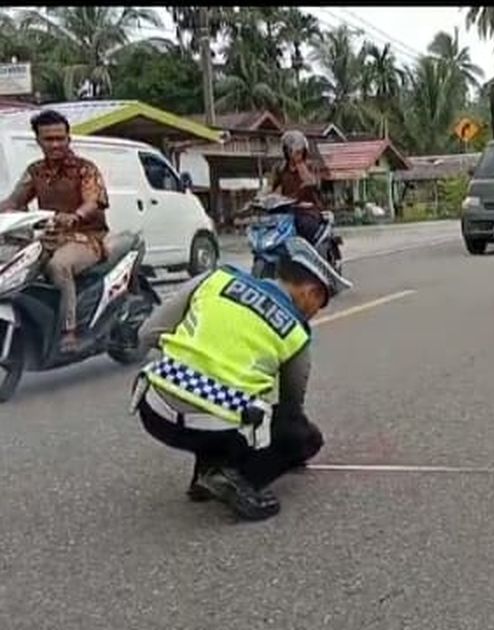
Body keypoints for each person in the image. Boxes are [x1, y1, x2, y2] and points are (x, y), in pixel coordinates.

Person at [131, 237, 351, 521]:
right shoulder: (295, 333)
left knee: (224, 403)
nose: (316, 312)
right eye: (321, 304)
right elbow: (290, 410)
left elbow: (147, 334)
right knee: (299, 435)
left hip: (154, 409)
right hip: (212, 424)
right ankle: (232, 478)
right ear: (312, 293)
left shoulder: (215, 279)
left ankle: (207, 471)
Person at [0, 109, 109, 353]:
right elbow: (14, 201)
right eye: (49, 139)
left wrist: (76, 215)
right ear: (38, 141)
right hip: (48, 238)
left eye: (60, 138)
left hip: (86, 238)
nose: (56, 144)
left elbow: (94, 200)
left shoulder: (85, 169)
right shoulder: (35, 171)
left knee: (58, 266)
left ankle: (69, 331)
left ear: (69, 138)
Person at [266, 130, 325, 248]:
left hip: (308, 211)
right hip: (287, 211)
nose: (293, 152)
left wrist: (299, 163)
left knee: (304, 225)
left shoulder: (311, 166)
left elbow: (312, 182)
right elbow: (270, 188)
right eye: (289, 149)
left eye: (297, 149)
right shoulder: (280, 168)